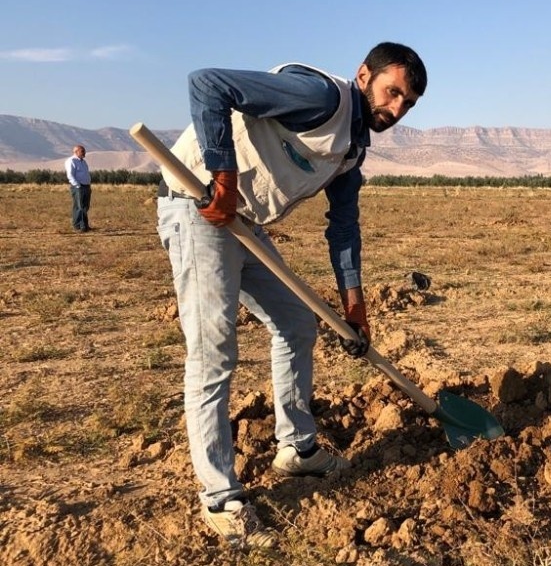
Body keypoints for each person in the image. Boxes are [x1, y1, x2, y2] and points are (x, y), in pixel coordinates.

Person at [156, 43, 427, 547]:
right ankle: (220, 497)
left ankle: (297, 450)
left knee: (297, 324)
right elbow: (208, 84)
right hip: (199, 207)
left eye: (407, 104)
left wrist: (354, 306)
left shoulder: (352, 149)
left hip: (245, 224)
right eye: (393, 93)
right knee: (214, 352)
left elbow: (344, 227)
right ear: (364, 75)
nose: (395, 110)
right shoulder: (319, 98)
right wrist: (221, 176)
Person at [65, 144, 92, 232]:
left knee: (85, 207)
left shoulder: (83, 161)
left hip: (86, 186)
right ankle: (78, 226)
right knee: (79, 206)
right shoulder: (71, 161)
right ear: (76, 152)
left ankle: (84, 225)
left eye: (84, 151)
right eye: (82, 151)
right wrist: (77, 185)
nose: (84, 153)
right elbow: (70, 175)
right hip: (78, 187)